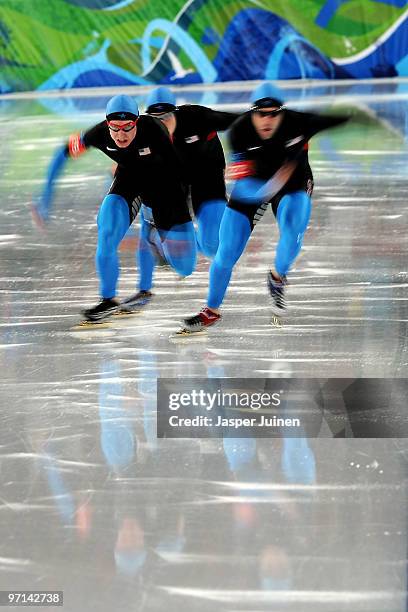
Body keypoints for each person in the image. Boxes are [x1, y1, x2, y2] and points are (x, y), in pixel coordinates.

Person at [182, 82, 349, 332]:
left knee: (293, 231)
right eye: (261, 113)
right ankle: (211, 310)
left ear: (282, 113)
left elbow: (342, 119)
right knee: (225, 252)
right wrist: (270, 186)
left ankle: (277, 277)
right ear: (252, 113)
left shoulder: (300, 123)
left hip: (293, 185)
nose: (267, 119)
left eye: (274, 113)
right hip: (252, 188)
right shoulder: (239, 131)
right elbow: (246, 187)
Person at [33, 94, 197, 322]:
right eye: (115, 128)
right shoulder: (98, 133)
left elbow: (179, 176)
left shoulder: (154, 130)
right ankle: (108, 299)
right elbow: (62, 153)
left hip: (164, 189)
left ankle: (158, 243)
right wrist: (45, 196)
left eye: (127, 128)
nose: (121, 135)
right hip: (128, 182)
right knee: (107, 230)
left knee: (185, 267)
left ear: (137, 123)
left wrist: (159, 215)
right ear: (107, 124)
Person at [127, 87, 239, 309]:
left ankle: (185, 241)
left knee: (213, 247)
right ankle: (145, 287)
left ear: (176, 113)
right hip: (171, 183)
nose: (163, 123)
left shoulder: (198, 118)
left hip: (206, 178)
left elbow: (244, 123)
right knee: (183, 266)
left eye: (167, 117)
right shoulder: (142, 133)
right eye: (156, 119)